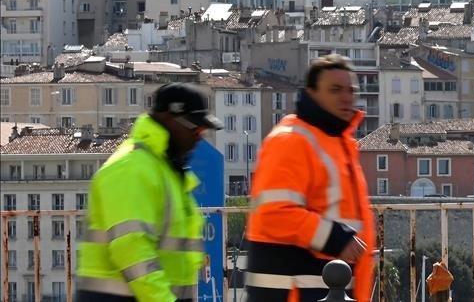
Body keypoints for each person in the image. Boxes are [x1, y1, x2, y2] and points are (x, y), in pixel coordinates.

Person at [245, 56, 376, 302]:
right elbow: (274, 213)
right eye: (335, 90)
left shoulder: (337, 142)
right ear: (312, 93)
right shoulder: (291, 140)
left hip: (328, 289)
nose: (346, 97)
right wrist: (335, 238)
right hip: (297, 291)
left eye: (352, 90)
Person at [76, 83, 223, 302]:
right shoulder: (132, 167)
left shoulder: (163, 169)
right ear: (167, 118)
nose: (199, 137)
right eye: (194, 128)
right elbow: (132, 248)